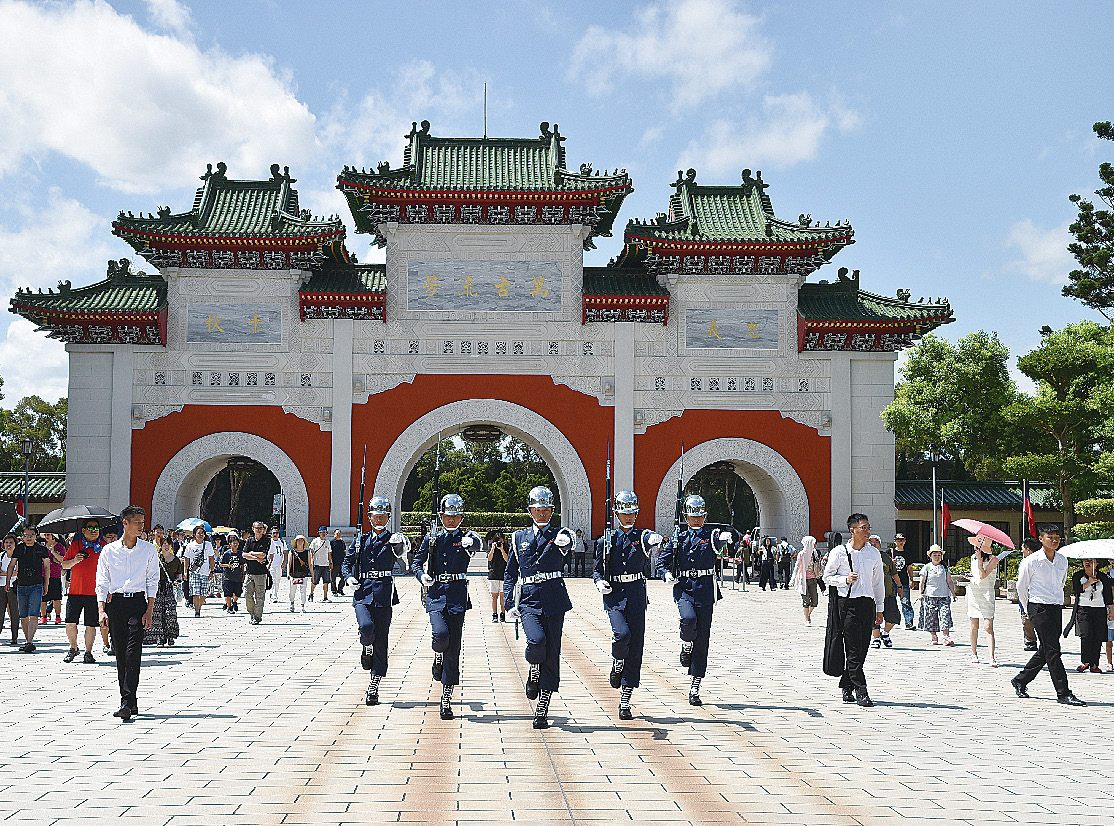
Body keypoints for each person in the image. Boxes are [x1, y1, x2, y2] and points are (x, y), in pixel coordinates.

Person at [504, 486, 575, 729]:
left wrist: (566, 542)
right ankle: (534, 668)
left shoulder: (559, 535)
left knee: (552, 651)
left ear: (552, 511)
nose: (542, 514)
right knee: (536, 641)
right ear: (530, 511)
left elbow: (569, 542)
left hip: (554, 599)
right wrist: (507, 604)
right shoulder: (518, 538)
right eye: (537, 510)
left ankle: (543, 707)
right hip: (529, 600)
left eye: (546, 510)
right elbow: (510, 573)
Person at [594, 490, 663, 720]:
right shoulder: (607, 540)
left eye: (632, 513)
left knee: (636, 646)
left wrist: (656, 542)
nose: (629, 517)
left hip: (635, 594)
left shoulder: (641, 536)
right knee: (621, 635)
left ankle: (625, 699)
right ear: (615, 513)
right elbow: (597, 569)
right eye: (624, 513)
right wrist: (599, 581)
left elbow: (651, 545)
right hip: (614, 594)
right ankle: (617, 661)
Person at [412, 494, 478, 720]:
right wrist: (422, 576)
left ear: (461, 517)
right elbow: (416, 562)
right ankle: (437, 655)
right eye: (448, 516)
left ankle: (446, 698)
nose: (452, 520)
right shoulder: (432, 538)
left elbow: (476, 544)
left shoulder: (467, 538)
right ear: (441, 516)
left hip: (458, 595)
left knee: (454, 647)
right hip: (437, 593)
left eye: (456, 516)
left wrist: (472, 543)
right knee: (440, 635)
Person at [343, 495, 408, 706]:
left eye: (383, 516)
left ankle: (374, 684)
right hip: (363, 591)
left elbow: (402, 559)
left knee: (382, 640)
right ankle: (366, 647)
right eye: (375, 516)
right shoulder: (361, 539)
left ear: (388, 517)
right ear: (369, 517)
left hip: (383, 592)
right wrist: (348, 577)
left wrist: (399, 546)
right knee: (366, 627)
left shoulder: (394, 538)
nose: (379, 519)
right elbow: (347, 562)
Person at [96, 505, 158, 722]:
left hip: (137, 605)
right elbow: (102, 582)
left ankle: (126, 701)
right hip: (117, 605)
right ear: (125, 523)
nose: (141, 526)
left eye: (143, 522)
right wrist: (102, 610)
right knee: (121, 654)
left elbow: (152, 580)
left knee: (133, 653)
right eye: (137, 522)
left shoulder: (148, 550)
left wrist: (150, 610)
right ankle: (130, 702)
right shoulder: (109, 551)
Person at [658, 495, 721, 707]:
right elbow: (662, 561)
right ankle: (686, 645)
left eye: (699, 516)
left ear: (704, 517)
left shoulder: (711, 536)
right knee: (688, 619)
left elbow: (720, 547)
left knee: (702, 639)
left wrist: (724, 542)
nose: (696, 520)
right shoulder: (678, 538)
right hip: (684, 587)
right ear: (685, 516)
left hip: (704, 589)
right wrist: (666, 573)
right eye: (692, 516)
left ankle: (695, 685)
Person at [1012, 525, 1085, 705]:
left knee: (1046, 649)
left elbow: (1061, 583)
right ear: (1041, 539)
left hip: (1055, 607)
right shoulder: (1032, 561)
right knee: (1053, 651)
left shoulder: (1062, 560)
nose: (1054, 540)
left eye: (1057, 537)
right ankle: (1063, 693)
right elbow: (1021, 587)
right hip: (1038, 607)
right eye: (1050, 537)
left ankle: (1020, 680)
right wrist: (1027, 608)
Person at [822, 513, 885, 707]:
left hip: (867, 604)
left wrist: (880, 608)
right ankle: (861, 690)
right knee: (852, 648)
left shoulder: (873, 553)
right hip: (846, 604)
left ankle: (846, 684)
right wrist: (844, 579)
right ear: (853, 530)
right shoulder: (839, 552)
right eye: (863, 527)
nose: (867, 531)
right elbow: (826, 577)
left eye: (868, 527)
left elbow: (878, 583)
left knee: (863, 647)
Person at [60, 520, 112, 662]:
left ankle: (88, 652)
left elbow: (110, 570)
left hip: (95, 593)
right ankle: (73, 648)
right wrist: (75, 560)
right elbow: (64, 564)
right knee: (70, 622)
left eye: (96, 527)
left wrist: (109, 590)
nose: (94, 530)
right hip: (75, 592)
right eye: (90, 528)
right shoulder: (76, 545)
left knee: (91, 624)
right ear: (83, 530)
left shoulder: (104, 547)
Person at [1070, 558, 1113, 674]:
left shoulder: (1103, 577)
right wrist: (1089, 582)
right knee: (1086, 635)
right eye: (1085, 561)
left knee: (1097, 636)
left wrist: (1111, 611)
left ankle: (1094, 664)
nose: (1087, 562)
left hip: (1099, 609)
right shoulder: (1078, 576)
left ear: (1097, 563)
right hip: (1083, 609)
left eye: (1091, 560)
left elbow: (1108, 595)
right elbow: (1076, 589)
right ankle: (1085, 661)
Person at [12, 526, 50, 653]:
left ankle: (29, 641)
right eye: (26, 535)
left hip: (36, 585)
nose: (29, 538)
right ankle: (27, 639)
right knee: (23, 615)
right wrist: (8, 581)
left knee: (33, 614)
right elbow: (12, 565)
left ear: (36, 536)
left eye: (31, 535)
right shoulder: (19, 548)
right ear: (22, 536)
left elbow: (46, 567)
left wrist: (46, 584)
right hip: (21, 585)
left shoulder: (41, 549)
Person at [966, 535, 1000, 666]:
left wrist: (980, 561)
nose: (975, 549)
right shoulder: (972, 558)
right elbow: (974, 575)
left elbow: (983, 575)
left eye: (978, 546)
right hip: (974, 592)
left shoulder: (993, 559)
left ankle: (991, 657)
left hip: (986, 594)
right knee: (973, 626)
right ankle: (973, 653)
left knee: (988, 627)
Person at [144, 539, 181, 646]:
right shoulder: (156, 559)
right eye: (164, 544)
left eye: (168, 544)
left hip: (169, 588)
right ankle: (159, 638)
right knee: (157, 613)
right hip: (157, 587)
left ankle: (170, 636)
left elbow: (179, 573)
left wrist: (177, 581)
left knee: (170, 613)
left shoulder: (176, 560)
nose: (166, 546)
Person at [918, 546, 956, 645]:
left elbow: (949, 581)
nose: (937, 556)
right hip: (930, 595)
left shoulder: (944, 568)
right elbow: (922, 582)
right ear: (930, 556)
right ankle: (934, 636)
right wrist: (920, 593)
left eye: (939, 554)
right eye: (934, 554)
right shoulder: (927, 567)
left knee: (945, 614)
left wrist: (953, 593)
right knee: (931, 616)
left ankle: (946, 636)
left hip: (944, 595)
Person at [870, 535, 902, 650]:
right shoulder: (865, 556)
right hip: (872, 594)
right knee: (873, 617)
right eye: (871, 542)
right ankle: (876, 638)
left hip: (888, 593)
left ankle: (885, 633)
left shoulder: (886, 557)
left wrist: (899, 586)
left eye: (876, 542)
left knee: (893, 616)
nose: (874, 544)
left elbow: (894, 573)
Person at [241, 522, 271, 624]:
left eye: (260, 528)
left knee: (260, 596)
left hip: (261, 573)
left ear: (263, 530)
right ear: (253, 529)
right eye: (257, 528)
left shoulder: (266, 540)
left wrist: (252, 553)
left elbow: (263, 555)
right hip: (249, 572)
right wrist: (255, 558)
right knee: (247, 594)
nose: (258, 529)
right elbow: (244, 554)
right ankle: (252, 613)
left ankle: (257, 617)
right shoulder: (250, 540)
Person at [184, 525, 214, 618]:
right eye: (199, 533)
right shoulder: (190, 545)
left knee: (204, 594)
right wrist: (185, 571)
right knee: (195, 592)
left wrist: (212, 571)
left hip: (205, 572)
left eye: (202, 533)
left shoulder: (208, 545)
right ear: (194, 535)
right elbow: (186, 559)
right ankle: (197, 611)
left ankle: (199, 607)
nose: (201, 535)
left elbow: (211, 558)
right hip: (194, 572)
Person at [1019, 537, 1040, 651]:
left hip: (1035, 595)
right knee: (1026, 619)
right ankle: (1030, 641)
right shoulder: (1024, 561)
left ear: (1027, 549)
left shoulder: (1040, 560)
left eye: (1023, 548)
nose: (1021, 551)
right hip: (1026, 594)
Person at [40, 532, 65, 624]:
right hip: (43, 574)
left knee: (56, 597)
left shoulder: (59, 546)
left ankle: (58, 616)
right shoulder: (41, 546)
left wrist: (53, 552)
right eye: (45, 535)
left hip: (55, 574)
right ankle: (43, 616)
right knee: (43, 597)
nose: (46, 537)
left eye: (48, 535)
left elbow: (62, 559)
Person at [795, 536, 820, 625]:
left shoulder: (815, 553)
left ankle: (808, 614)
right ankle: (806, 619)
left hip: (813, 579)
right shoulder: (801, 554)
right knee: (806, 600)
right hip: (803, 580)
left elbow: (817, 564)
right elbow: (797, 566)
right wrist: (793, 579)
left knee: (815, 601)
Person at [891, 534, 915, 630]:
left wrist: (911, 580)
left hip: (904, 581)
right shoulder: (890, 552)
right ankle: (889, 621)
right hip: (891, 582)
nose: (900, 542)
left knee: (906, 602)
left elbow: (909, 567)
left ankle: (909, 622)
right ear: (895, 541)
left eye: (902, 540)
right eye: (898, 540)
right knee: (890, 602)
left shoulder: (907, 553)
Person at [1, 534, 21, 646]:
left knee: (14, 613)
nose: (8, 545)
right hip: (1, 586)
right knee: (0, 613)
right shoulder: (1, 556)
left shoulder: (18, 557)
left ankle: (14, 637)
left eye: (11, 543)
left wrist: (5, 573)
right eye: (6, 542)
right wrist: (9, 573)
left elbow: (17, 573)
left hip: (14, 587)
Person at [487, 531, 508, 622]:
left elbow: (507, 560)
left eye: (501, 541)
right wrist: (493, 548)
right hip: (494, 574)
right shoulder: (492, 547)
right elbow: (489, 558)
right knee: (494, 596)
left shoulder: (506, 547)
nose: (500, 543)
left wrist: (502, 549)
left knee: (502, 596)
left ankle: (503, 613)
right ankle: (494, 614)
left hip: (503, 574)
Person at [220, 532, 244, 613]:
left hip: (238, 577)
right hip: (228, 576)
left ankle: (234, 602)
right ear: (230, 544)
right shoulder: (226, 554)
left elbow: (242, 564)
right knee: (228, 593)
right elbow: (221, 564)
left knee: (238, 593)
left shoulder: (240, 553)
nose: (235, 544)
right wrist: (228, 565)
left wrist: (243, 574)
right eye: (234, 543)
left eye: (237, 543)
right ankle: (229, 607)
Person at [287, 535, 311, 612]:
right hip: (294, 574)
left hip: (304, 574)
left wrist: (312, 574)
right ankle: (292, 603)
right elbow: (289, 563)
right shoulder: (292, 552)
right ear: (296, 542)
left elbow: (310, 564)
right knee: (292, 591)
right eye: (298, 540)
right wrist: (288, 573)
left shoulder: (307, 552)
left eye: (302, 540)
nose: (300, 541)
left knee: (303, 591)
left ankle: (303, 605)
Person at [309, 526, 331, 602]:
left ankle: (325, 597)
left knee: (326, 582)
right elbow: (311, 551)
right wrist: (311, 560)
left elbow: (329, 553)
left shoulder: (327, 542)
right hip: (317, 564)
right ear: (319, 533)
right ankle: (311, 594)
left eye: (325, 532)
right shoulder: (315, 541)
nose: (323, 534)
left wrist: (330, 562)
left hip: (326, 565)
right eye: (322, 533)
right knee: (315, 581)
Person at [268, 527, 287, 609]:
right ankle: (274, 595)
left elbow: (285, 552)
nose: (275, 534)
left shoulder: (282, 542)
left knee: (278, 580)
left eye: (276, 533)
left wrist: (284, 562)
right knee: (273, 580)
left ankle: (274, 593)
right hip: (271, 564)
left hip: (279, 564)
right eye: (273, 533)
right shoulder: (269, 542)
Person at [330, 529, 347, 596]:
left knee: (343, 578)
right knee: (333, 578)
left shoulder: (342, 542)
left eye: (339, 533)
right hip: (334, 563)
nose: (338, 535)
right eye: (337, 534)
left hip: (341, 562)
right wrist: (330, 562)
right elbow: (329, 553)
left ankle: (340, 589)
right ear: (334, 534)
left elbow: (344, 551)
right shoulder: (332, 542)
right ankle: (334, 591)